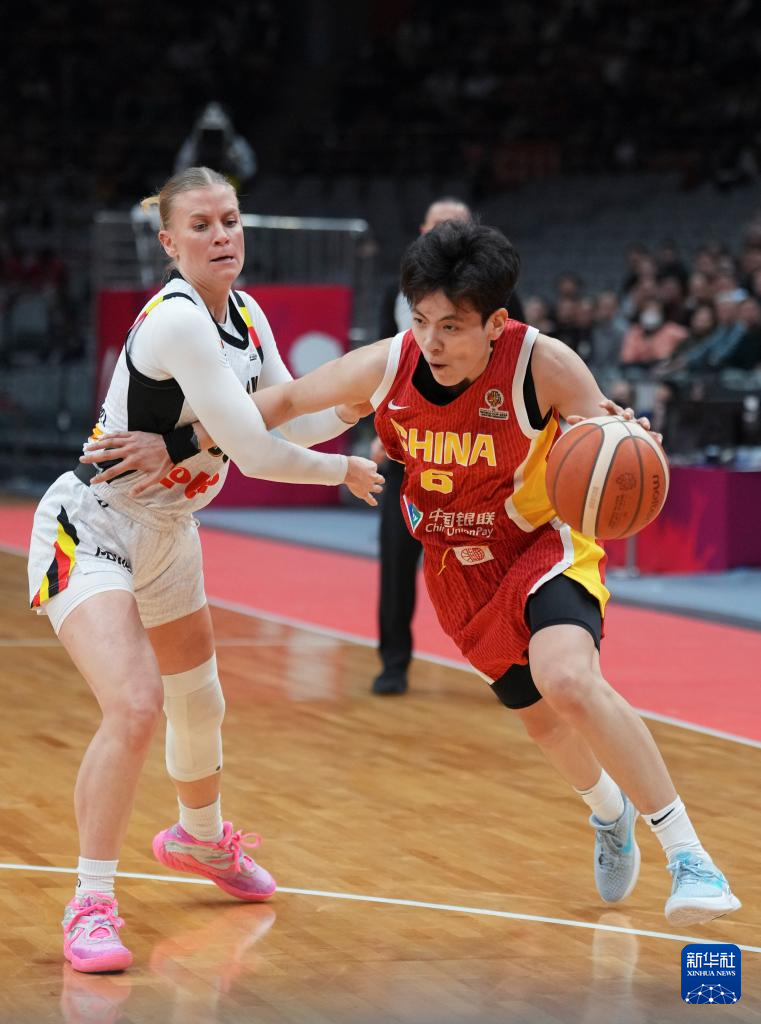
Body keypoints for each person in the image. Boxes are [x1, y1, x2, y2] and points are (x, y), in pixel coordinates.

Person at [89, 220, 741, 926]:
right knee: (543, 724)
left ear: (495, 324)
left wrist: (632, 440)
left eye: (451, 327)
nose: (431, 341)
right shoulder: (389, 363)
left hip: (538, 545)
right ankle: (608, 813)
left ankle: (689, 857)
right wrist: (175, 442)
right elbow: (282, 403)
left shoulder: (543, 364)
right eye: (422, 320)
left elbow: (606, 435)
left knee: (567, 679)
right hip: (457, 570)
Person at [27, 166, 382, 973]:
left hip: (169, 528)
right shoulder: (180, 321)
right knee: (135, 705)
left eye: (230, 219)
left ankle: (199, 838)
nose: (221, 235)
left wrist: (353, 403)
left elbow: (285, 413)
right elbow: (255, 451)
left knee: (200, 699)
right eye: (201, 225)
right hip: (91, 525)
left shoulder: (247, 315)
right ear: (169, 242)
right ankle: (90, 902)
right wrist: (341, 471)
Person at [372, 198, 525, 696]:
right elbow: (380, 372)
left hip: (478, 452)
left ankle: (513, 663)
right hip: (412, 444)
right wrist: (378, 431)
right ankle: (393, 663)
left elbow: (524, 369)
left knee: (500, 558)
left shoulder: (495, 294)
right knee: (396, 558)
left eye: (456, 226)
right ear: (423, 231)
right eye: (439, 226)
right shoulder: (394, 294)